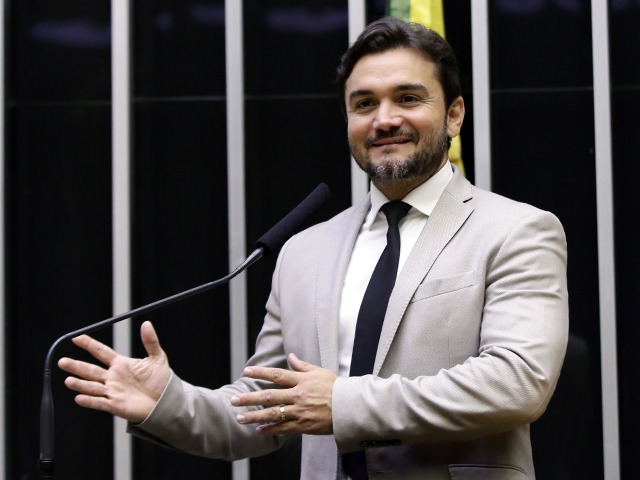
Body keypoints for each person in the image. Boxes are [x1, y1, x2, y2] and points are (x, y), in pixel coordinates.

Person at [59, 17, 568, 480]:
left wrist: (342, 403)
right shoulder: (304, 252)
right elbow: (265, 409)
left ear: (454, 115)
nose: (384, 119)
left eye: (408, 98)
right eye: (364, 104)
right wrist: (165, 403)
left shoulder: (516, 230)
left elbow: (517, 382)